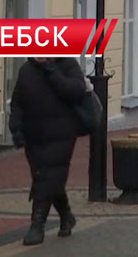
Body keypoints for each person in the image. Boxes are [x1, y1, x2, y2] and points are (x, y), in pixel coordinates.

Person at [9, 57, 88, 246]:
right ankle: (66, 215)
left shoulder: (67, 65)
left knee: (46, 177)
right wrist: (16, 128)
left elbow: (76, 91)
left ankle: (37, 226)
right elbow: (17, 102)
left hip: (62, 134)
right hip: (34, 137)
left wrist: (52, 72)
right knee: (49, 177)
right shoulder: (26, 70)